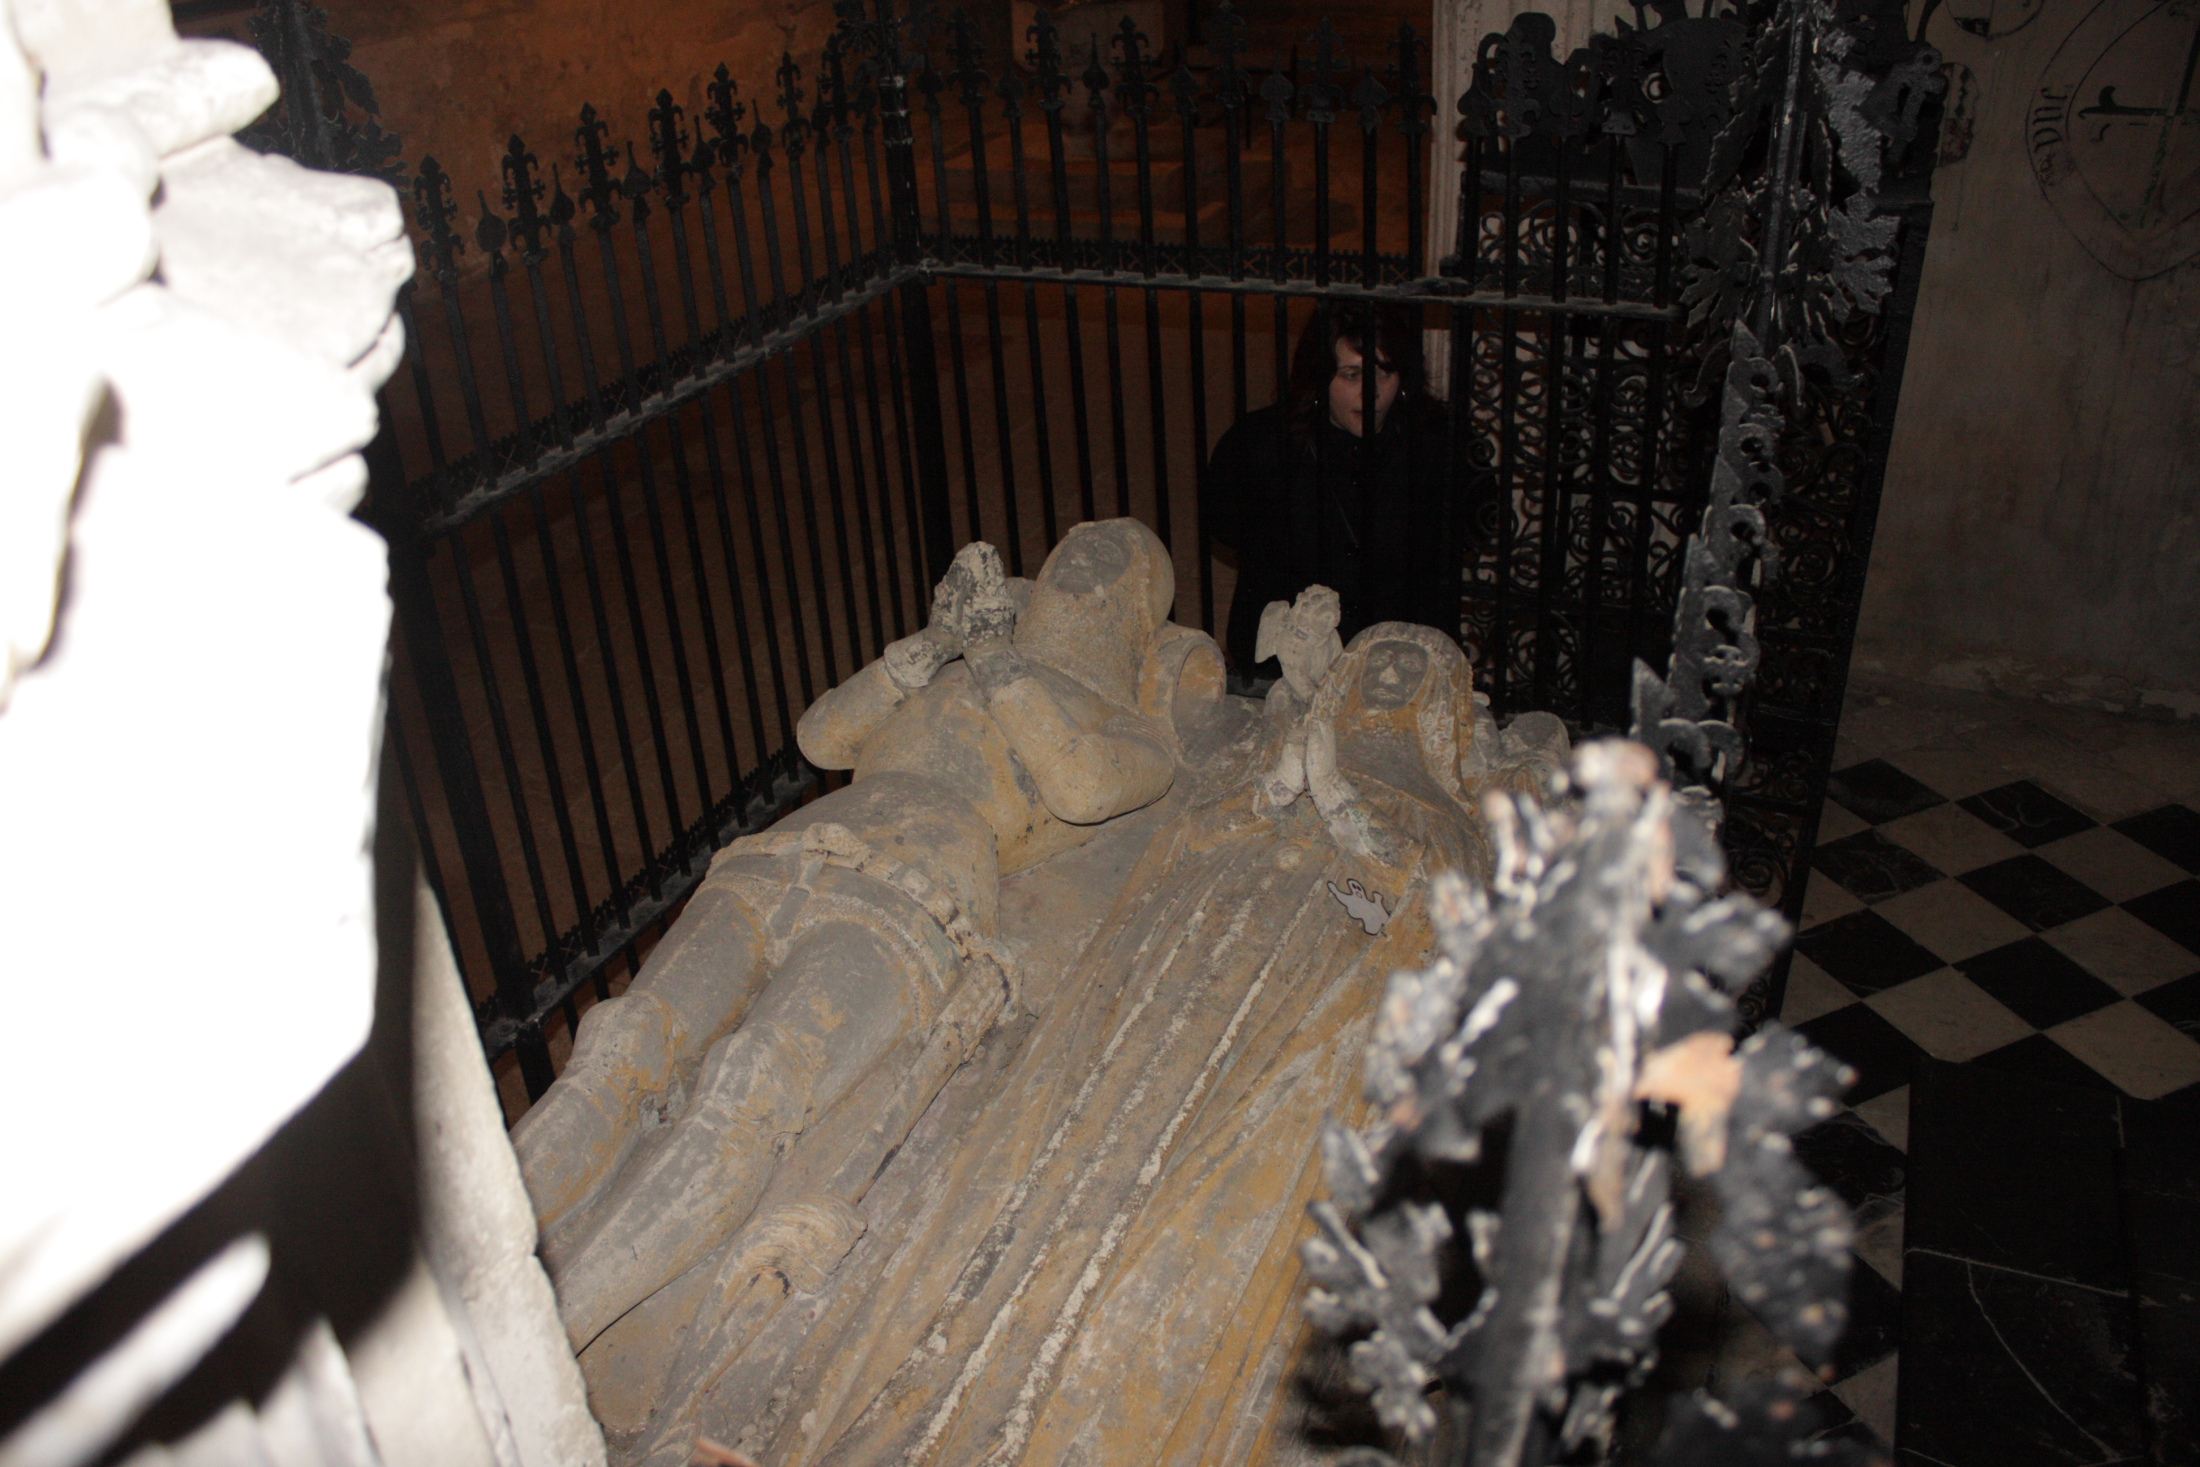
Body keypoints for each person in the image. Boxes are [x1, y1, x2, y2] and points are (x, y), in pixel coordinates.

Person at [1200, 303, 1457, 687]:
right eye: (1351, 375)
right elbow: (1225, 525)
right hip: (1288, 667)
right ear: (1319, 377)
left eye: (1383, 373)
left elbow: (1467, 532)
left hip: (1396, 667)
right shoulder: (1260, 446)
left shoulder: (1438, 445)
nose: (1370, 394)